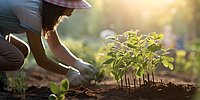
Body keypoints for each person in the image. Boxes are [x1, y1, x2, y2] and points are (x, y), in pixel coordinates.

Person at [0, 0, 97, 89]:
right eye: (73, 6)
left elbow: (56, 46)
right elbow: (41, 60)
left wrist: (78, 64)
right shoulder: (31, 12)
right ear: (59, 6)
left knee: (23, 50)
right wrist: (69, 73)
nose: (74, 8)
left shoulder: (42, 11)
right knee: (15, 59)